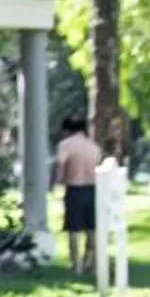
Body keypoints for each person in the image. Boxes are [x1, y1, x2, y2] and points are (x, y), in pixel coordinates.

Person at [50, 116, 103, 276]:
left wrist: (57, 182)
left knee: (73, 228)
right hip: (92, 189)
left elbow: (61, 164)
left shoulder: (65, 145)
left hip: (74, 189)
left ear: (67, 130)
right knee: (92, 228)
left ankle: (76, 264)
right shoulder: (93, 147)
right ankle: (90, 260)